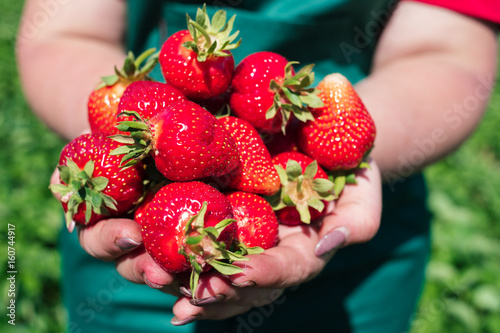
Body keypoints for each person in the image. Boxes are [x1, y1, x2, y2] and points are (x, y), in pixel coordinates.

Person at [16, 0, 499, 332]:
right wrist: (109, 144)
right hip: (136, 247)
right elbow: (64, 31)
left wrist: (350, 156)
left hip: (340, 236)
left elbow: (447, 51)